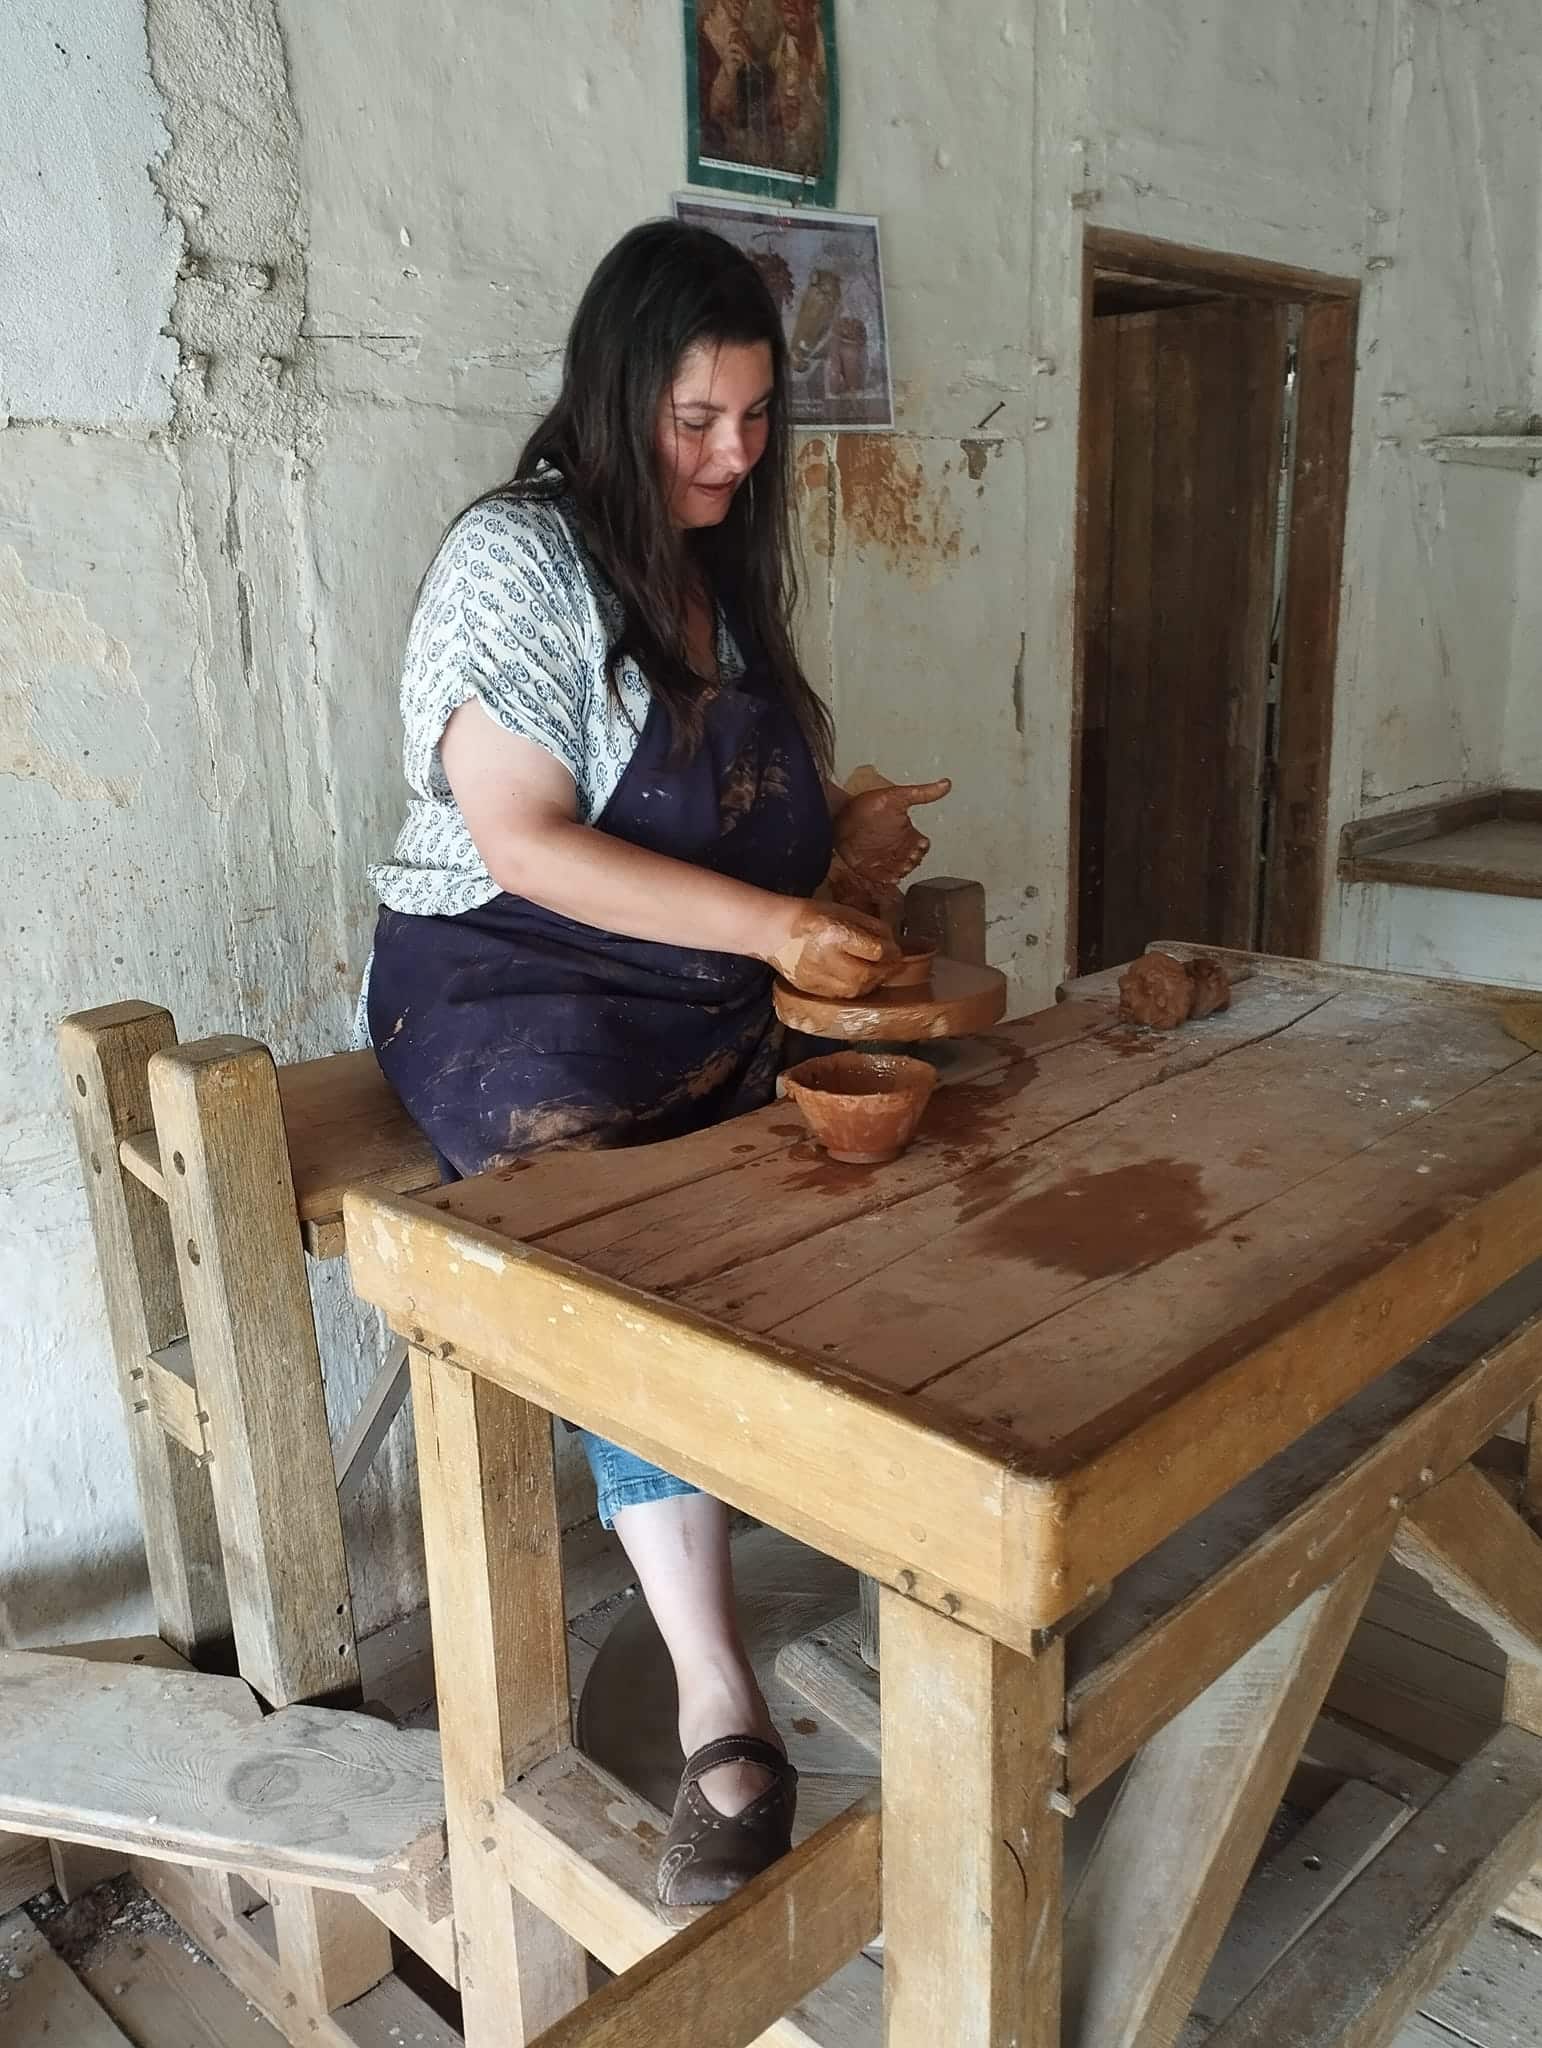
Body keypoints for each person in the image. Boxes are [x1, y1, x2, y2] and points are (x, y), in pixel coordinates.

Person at [364, 220, 949, 1913]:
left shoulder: (717, 566)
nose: (730, 456)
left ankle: (922, 1550)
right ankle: (716, 1693)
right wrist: (775, 936)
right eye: (695, 421)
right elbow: (530, 843)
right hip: (510, 987)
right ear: (614, 397)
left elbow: (712, 804)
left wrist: (840, 846)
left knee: (879, 1173)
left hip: (689, 982)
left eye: (757, 420)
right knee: (641, 1250)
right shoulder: (519, 558)